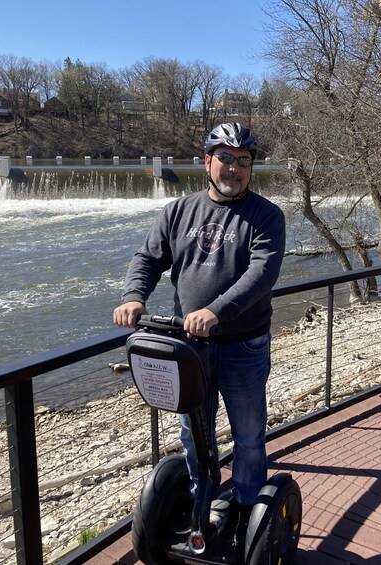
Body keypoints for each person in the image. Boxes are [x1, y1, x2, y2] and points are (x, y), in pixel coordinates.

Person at [113, 122, 286, 542]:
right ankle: (200, 503)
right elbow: (148, 258)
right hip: (188, 347)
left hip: (242, 344)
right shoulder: (177, 211)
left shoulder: (266, 215)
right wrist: (135, 296)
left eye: (243, 161)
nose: (234, 168)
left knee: (247, 434)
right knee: (193, 434)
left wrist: (216, 310)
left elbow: (261, 274)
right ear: (207, 162)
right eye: (225, 158)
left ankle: (247, 511)